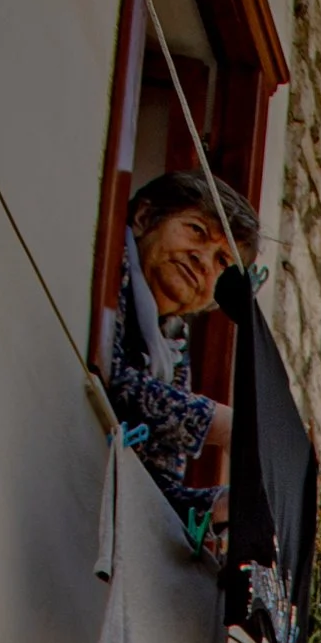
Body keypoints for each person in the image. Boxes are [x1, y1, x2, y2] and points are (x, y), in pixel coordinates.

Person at [102, 168, 257, 540]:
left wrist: (222, 508)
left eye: (222, 261)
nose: (203, 261)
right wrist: (222, 423)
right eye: (197, 232)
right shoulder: (107, 269)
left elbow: (158, 490)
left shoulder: (172, 346)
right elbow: (111, 380)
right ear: (143, 218)